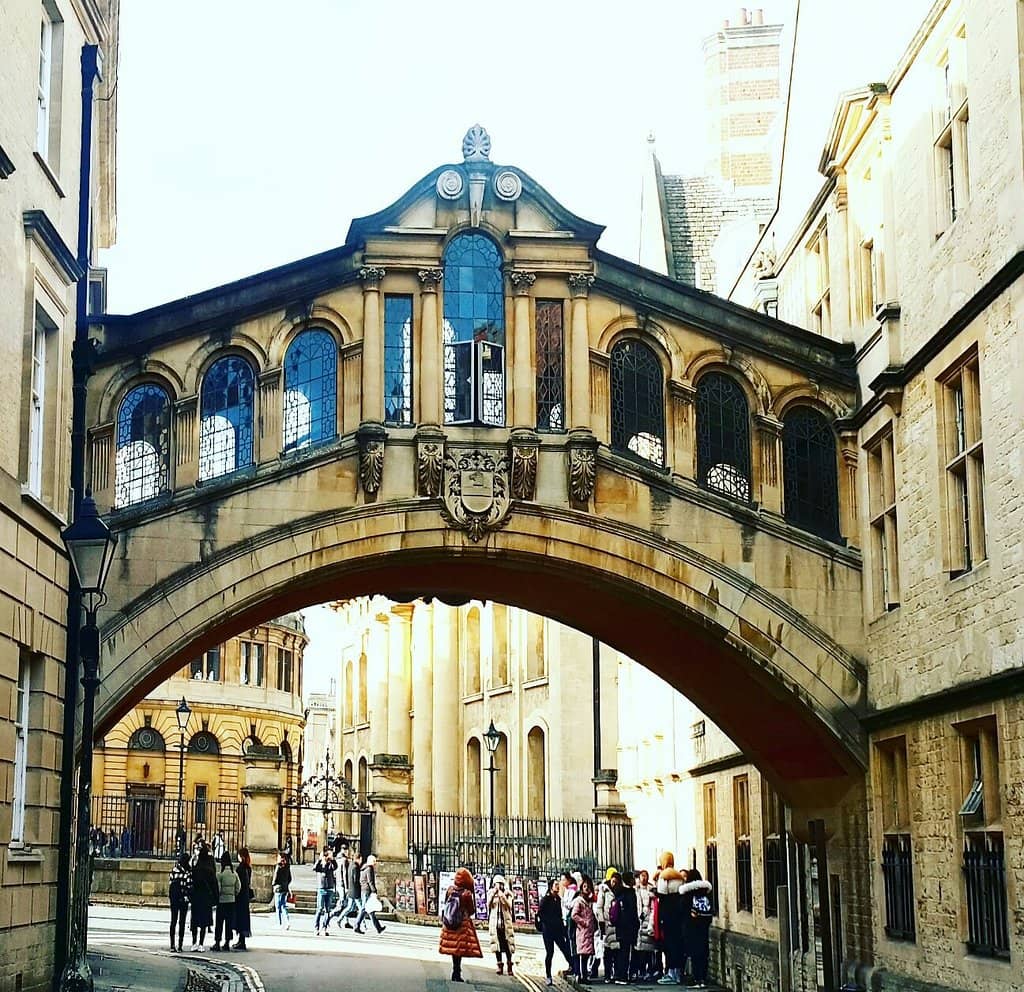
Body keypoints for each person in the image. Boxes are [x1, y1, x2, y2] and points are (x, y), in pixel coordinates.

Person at [439, 867, 482, 983]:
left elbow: (446, 903)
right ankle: (457, 972)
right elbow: (472, 910)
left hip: (450, 921)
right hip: (461, 923)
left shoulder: (450, 890)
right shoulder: (466, 894)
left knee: (454, 948)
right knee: (459, 948)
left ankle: (455, 970)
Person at [655, 852, 686, 985]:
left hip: (667, 912)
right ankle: (678, 972)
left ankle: (671, 972)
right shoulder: (679, 876)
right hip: (678, 912)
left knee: (669, 944)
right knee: (677, 943)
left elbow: (661, 894)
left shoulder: (664, 876)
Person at [537, 877, 573, 987]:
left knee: (565, 948)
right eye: (556, 885)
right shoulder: (545, 899)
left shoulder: (558, 899)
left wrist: (563, 930)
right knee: (550, 952)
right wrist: (544, 926)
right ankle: (548, 975)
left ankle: (573, 967)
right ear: (551, 887)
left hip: (557, 930)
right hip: (548, 931)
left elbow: (559, 915)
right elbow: (540, 915)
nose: (558, 886)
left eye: (558, 885)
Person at [682, 868, 714, 988]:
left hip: (692, 929)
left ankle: (697, 978)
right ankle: (703, 979)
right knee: (703, 953)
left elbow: (683, 910)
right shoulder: (706, 893)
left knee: (695, 954)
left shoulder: (688, 894)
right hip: (704, 928)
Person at [189, 842, 218, 952]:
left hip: (196, 896)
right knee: (204, 923)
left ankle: (194, 942)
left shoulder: (196, 866)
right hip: (206, 897)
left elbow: (191, 879)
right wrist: (215, 898)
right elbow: (214, 883)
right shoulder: (210, 867)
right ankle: (201, 943)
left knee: (195, 921)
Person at [614, 871, 641, 985]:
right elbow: (632, 912)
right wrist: (636, 924)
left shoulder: (619, 892)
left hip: (620, 926)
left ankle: (620, 974)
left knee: (622, 952)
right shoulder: (630, 893)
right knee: (627, 952)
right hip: (629, 927)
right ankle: (624, 976)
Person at [571, 875, 598, 985]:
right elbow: (574, 915)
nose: (586, 888)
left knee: (586, 955)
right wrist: (584, 922)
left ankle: (584, 976)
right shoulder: (579, 901)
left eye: (588, 886)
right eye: (584, 886)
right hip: (582, 931)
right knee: (583, 955)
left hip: (589, 931)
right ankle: (583, 976)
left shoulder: (589, 901)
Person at [487, 874, 516, 976]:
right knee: (496, 944)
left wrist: (502, 896)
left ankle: (509, 965)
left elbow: (509, 906)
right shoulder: (491, 893)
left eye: (499, 884)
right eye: (496, 884)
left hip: (505, 923)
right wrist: (493, 894)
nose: (497, 886)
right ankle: (499, 964)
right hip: (495, 923)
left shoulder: (508, 894)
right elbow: (488, 905)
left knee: (508, 944)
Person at [595, 868, 620, 981]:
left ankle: (616, 973)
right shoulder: (603, 890)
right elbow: (599, 907)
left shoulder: (620, 891)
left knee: (617, 951)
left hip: (617, 925)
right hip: (607, 924)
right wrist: (601, 921)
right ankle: (607, 974)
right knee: (607, 951)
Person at [633, 869, 659, 982]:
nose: (643, 878)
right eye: (642, 876)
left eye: (645, 876)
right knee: (639, 949)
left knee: (649, 949)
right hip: (639, 920)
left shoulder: (651, 890)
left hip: (648, 921)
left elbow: (653, 906)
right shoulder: (636, 890)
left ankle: (649, 970)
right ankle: (640, 969)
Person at [212, 851, 240, 951]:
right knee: (229, 923)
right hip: (231, 901)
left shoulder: (220, 875)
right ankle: (227, 942)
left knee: (219, 923)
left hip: (222, 901)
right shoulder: (234, 874)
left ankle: (217, 942)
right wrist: (233, 894)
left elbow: (218, 889)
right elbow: (238, 887)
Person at [354, 854, 386, 934]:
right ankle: (356, 926)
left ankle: (378, 928)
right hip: (367, 891)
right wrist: (374, 891)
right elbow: (370, 881)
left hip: (363, 890)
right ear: (371, 861)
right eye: (374, 861)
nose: (375, 863)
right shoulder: (369, 868)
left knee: (370, 910)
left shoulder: (364, 868)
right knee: (364, 909)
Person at [168, 852, 191, 952]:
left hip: (174, 899)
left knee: (173, 921)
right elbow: (189, 885)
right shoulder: (188, 871)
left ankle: (172, 945)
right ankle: (180, 945)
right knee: (182, 922)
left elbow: (170, 882)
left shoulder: (174, 870)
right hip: (183, 899)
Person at [232, 847, 253, 950]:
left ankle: (241, 941)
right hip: (246, 896)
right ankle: (242, 940)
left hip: (240, 896)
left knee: (239, 918)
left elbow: (238, 884)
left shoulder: (240, 868)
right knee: (244, 918)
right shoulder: (248, 868)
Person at [313, 848, 337, 936]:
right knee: (319, 909)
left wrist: (332, 859)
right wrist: (320, 859)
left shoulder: (331, 864)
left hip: (329, 888)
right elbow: (315, 868)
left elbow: (335, 867)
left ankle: (324, 927)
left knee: (328, 910)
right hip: (321, 888)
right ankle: (316, 927)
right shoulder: (320, 865)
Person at [560, 871, 580, 977]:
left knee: (571, 943)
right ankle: (572, 965)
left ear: (568, 880)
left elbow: (569, 905)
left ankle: (574, 966)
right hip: (566, 919)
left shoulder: (572, 891)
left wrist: (565, 903)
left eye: (563, 879)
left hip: (569, 919)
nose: (562, 882)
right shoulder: (568, 890)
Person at [272, 851, 292, 929]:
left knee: (278, 907)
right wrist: (286, 884)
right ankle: (287, 922)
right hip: (285, 888)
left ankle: (279, 923)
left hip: (278, 889)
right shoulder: (287, 866)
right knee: (283, 906)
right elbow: (290, 878)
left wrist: (273, 885)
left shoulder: (278, 866)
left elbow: (275, 878)